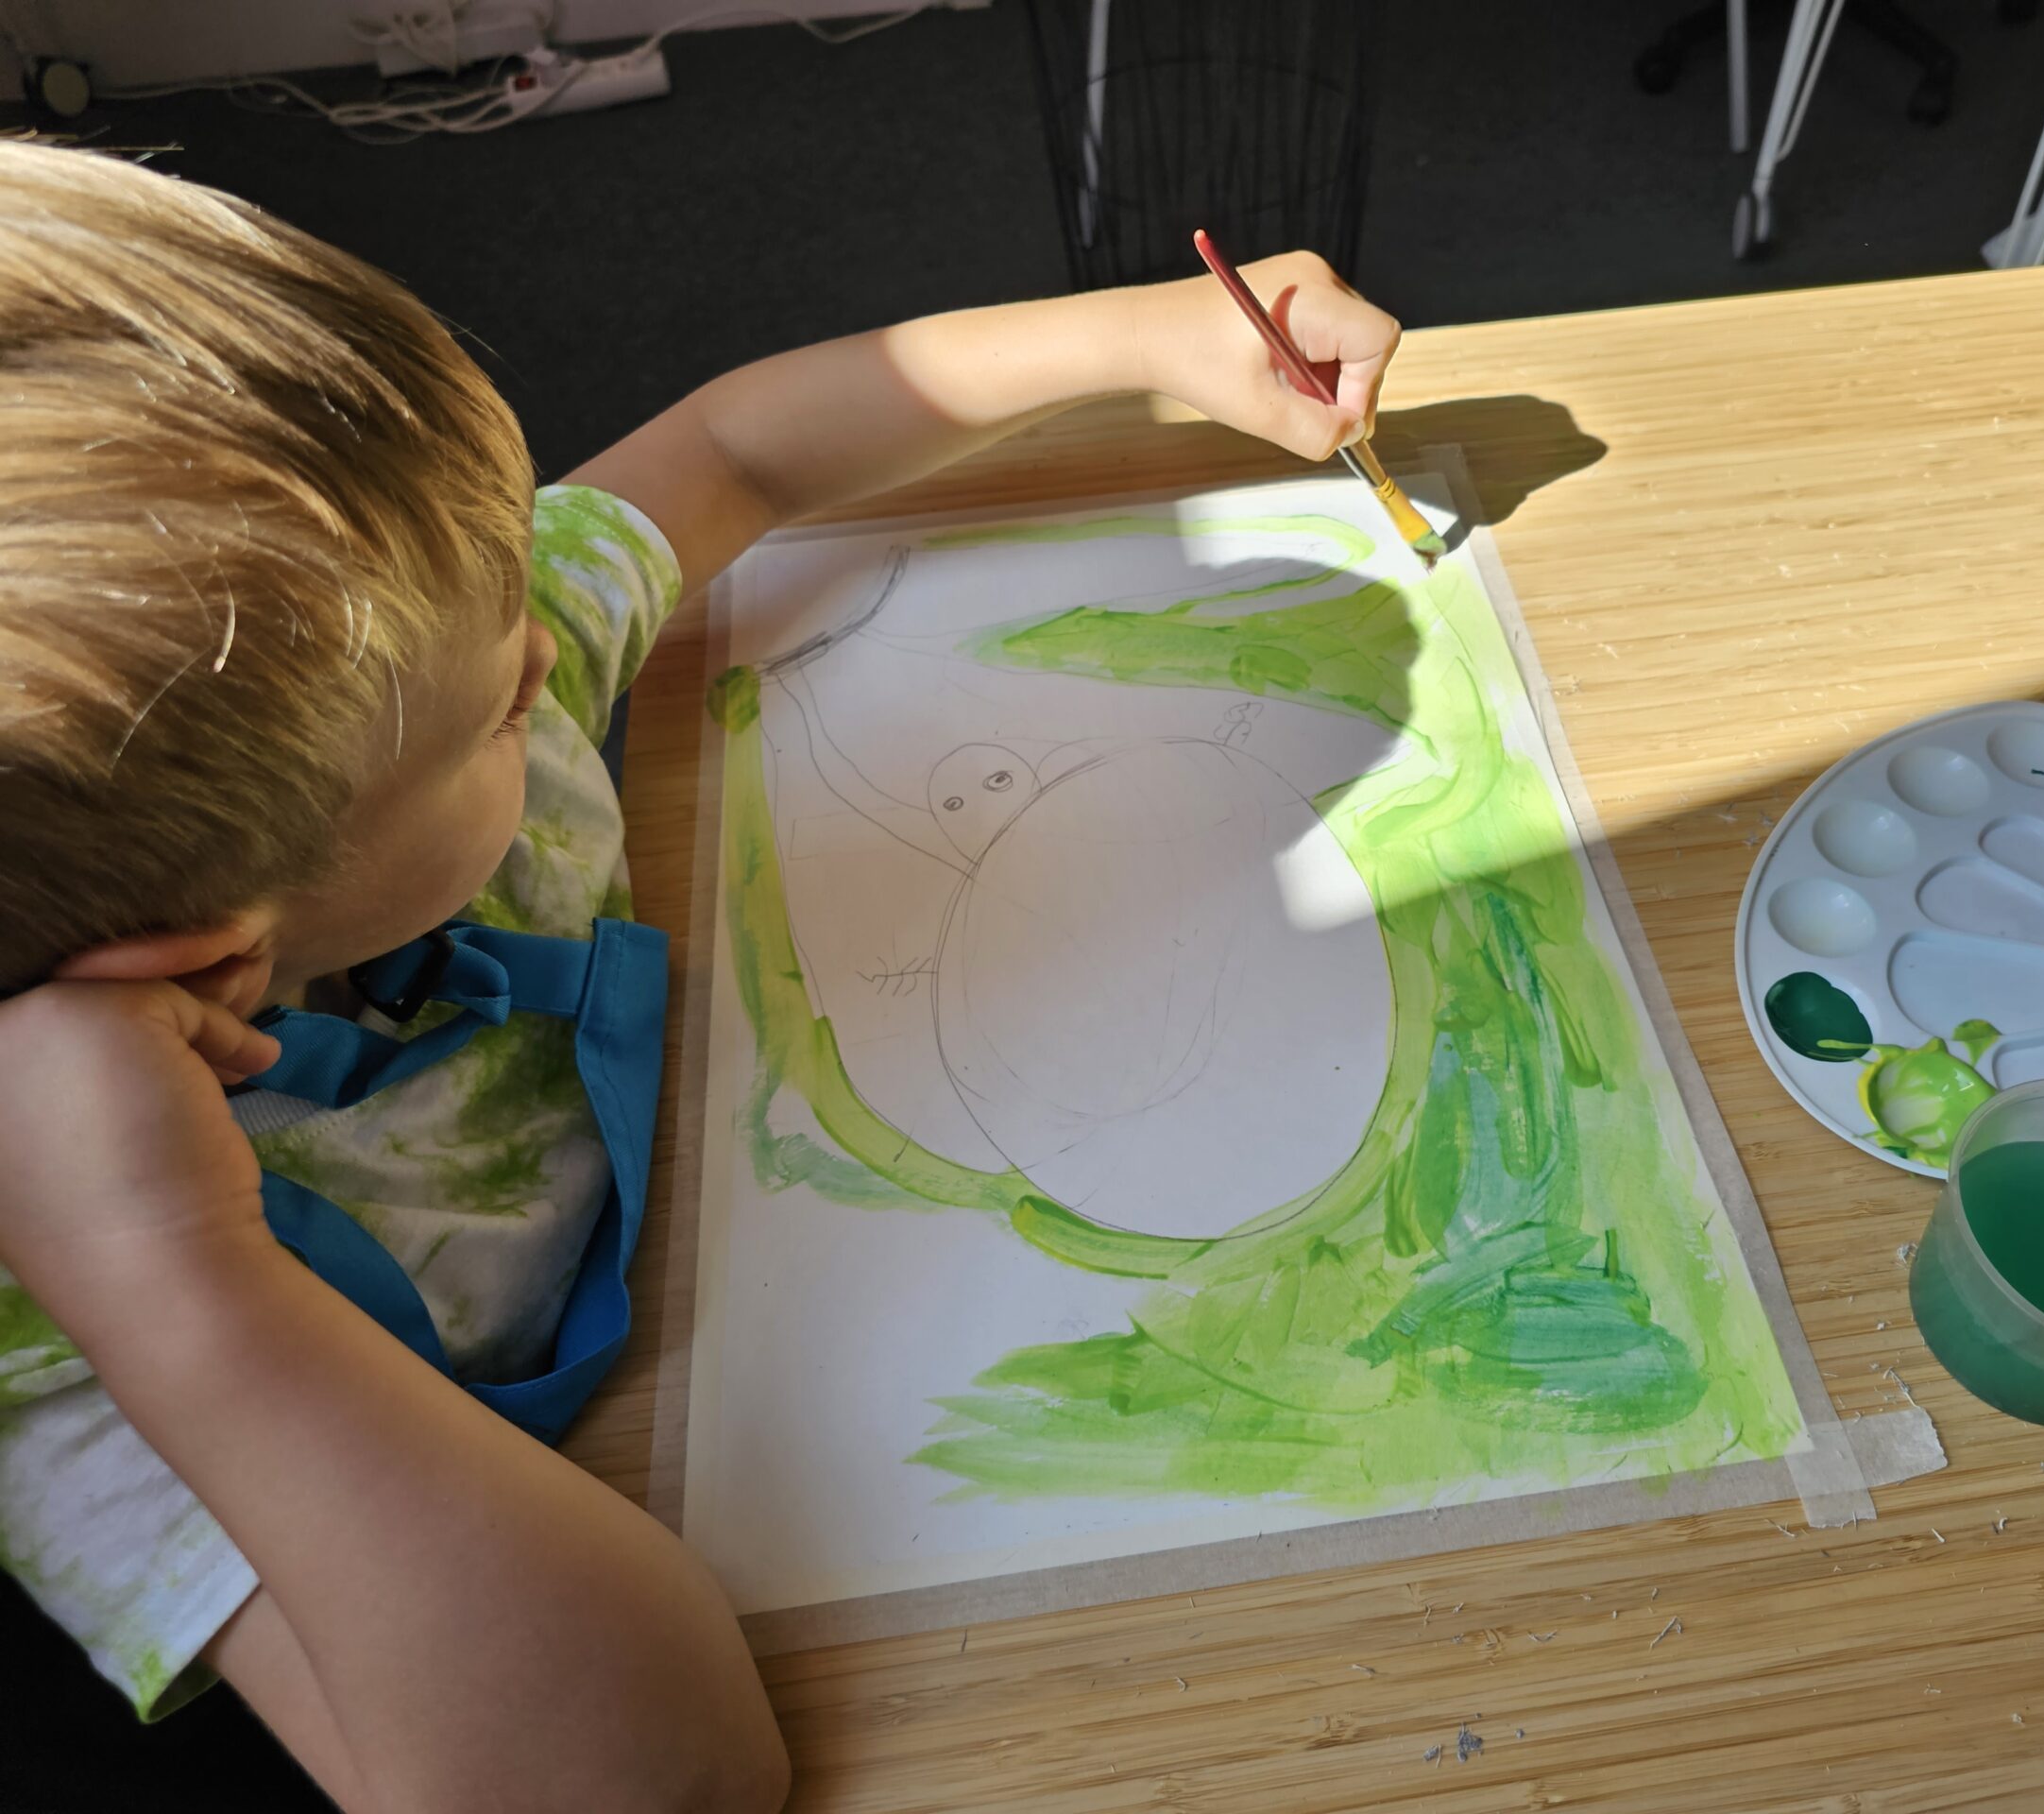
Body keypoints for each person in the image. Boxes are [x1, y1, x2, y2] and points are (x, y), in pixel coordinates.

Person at [0, 136, 1399, 1812]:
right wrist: (177, 1275)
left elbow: (734, 448)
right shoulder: (65, 1323)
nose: (550, 639)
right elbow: (657, 1780)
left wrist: (1145, 338)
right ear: (223, 951)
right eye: (506, 706)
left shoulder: (411, 677)